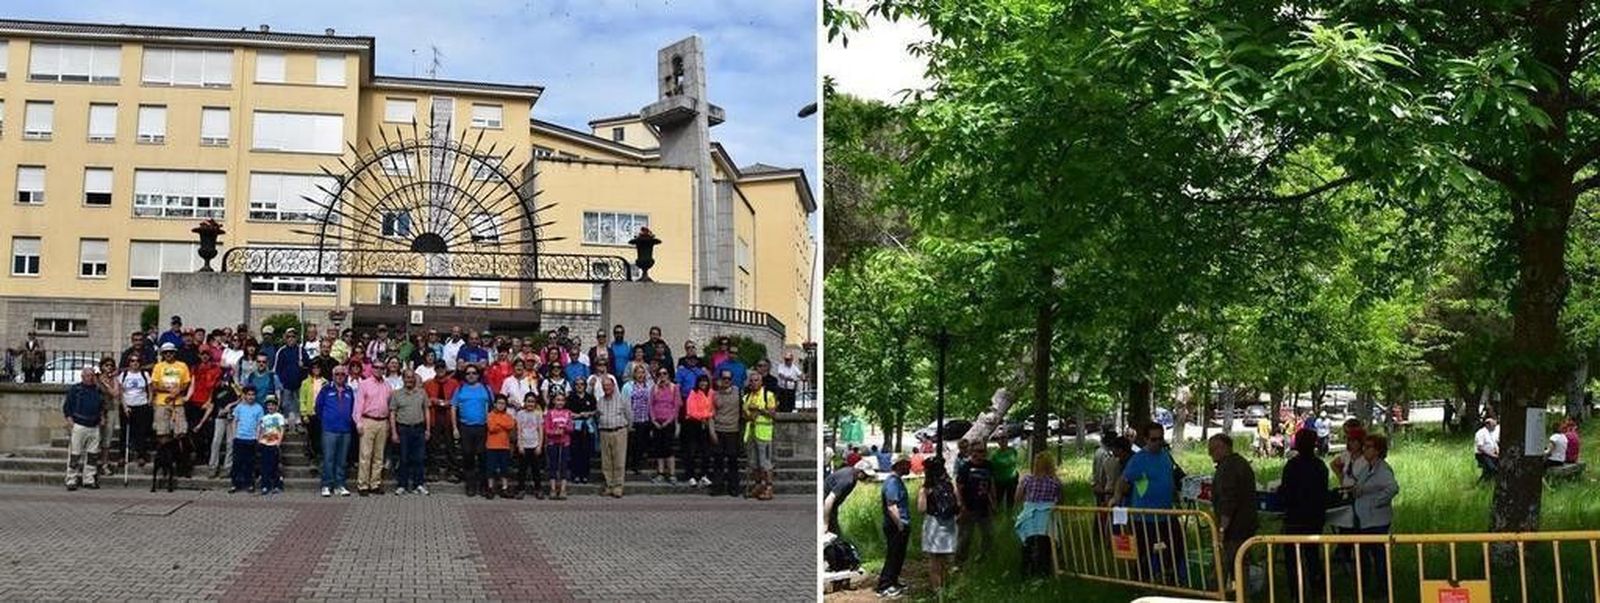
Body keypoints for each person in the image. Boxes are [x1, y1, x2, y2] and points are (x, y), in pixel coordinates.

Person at [1109, 423, 1186, 585]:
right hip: (1144, 516)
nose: (1158, 442)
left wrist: (1177, 501)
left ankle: (1172, 579)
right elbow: (1123, 480)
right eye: (1153, 439)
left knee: (1176, 547)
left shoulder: (1165, 455)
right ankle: (1140, 583)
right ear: (1145, 439)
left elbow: (1169, 480)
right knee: (1143, 552)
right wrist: (1116, 498)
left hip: (1166, 513)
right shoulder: (1139, 459)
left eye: (1160, 438)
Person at [1278, 428, 1329, 601]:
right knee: (1313, 556)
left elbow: (1286, 491)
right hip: (1315, 518)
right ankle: (1319, 590)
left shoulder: (1292, 466)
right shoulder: (1320, 466)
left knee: (1293, 560)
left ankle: (1296, 594)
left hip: (1294, 519)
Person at [1346, 434, 1399, 599]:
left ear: (1377, 451)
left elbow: (1392, 488)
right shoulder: (1367, 468)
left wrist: (1376, 502)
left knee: (1379, 558)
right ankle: (1365, 588)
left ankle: (1384, 591)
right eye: (1365, 446)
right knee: (1364, 555)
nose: (1364, 450)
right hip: (1365, 520)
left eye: (1368, 447)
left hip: (1377, 521)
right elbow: (1361, 486)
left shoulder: (1382, 469)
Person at [1208, 433, 1259, 587]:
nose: (1210, 453)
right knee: (1241, 565)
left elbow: (1228, 501)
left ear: (1224, 448)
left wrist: (1222, 529)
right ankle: (1240, 595)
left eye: (1212, 449)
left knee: (1220, 567)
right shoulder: (1241, 463)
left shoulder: (1228, 468)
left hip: (1233, 529)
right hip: (1245, 525)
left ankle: (1215, 597)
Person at [1015, 452, 1063, 577]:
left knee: (1027, 545)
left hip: (1029, 517)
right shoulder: (1056, 482)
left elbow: (1018, 497)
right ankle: (1044, 573)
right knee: (1046, 546)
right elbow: (1061, 499)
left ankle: (1025, 572)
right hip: (1047, 518)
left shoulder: (1027, 479)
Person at [452, 365, 493, 497]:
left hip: (482, 427)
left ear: (478, 375)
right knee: (468, 455)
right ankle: (470, 485)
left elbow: (492, 408)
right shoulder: (460, 389)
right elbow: (453, 408)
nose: (471, 375)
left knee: (482, 456)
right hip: (465, 427)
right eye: (468, 373)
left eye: (474, 373)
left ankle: (483, 486)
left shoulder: (486, 389)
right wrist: (455, 428)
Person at [919, 460, 959, 593]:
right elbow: (957, 503)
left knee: (934, 560)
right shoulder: (949, 485)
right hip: (949, 524)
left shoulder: (926, 489)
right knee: (945, 559)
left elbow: (921, 508)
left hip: (933, 524)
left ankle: (937, 590)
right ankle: (945, 586)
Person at [316, 366, 356, 497]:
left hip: (345, 430)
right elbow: (318, 407)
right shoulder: (326, 389)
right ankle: (326, 485)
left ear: (346, 376)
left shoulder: (349, 391)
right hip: (329, 430)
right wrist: (327, 420)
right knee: (328, 459)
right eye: (337, 374)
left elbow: (353, 408)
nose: (340, 376)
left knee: (342, 460)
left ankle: (340, 485)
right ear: (333, 376)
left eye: (342, 374)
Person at [353, 363, 392, 496]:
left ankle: (375, 484)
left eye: (381, 368)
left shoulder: (387, 385)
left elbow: (389, 405)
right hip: (368, 420)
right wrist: (358, 422)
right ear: (372, 368)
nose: (378, 370)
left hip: (382, 421)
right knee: (365, 454)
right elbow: (358, 404)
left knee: (379, 455)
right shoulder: (364, 384)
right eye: (376, 367)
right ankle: (362, 485)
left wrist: (388, 423)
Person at [388, 371, 431, 495]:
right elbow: (392, 413)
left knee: (419, 458)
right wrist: (394, 432)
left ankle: (419, 484)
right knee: (403, 458)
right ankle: (402, 485)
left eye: (412, 377)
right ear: (403, 379)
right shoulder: (396, 394)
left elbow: (426, 410)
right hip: (403, 429)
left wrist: (428, 429)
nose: (410, 380)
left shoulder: (422, 393)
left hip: (419, 428)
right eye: (407, 377)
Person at [63, 367, 105, 490]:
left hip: (94, 426)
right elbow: (67, 406)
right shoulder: (76, 389)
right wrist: (70, 420)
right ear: (82, 376)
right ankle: (71, 479)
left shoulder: (98, 390)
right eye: (88, 375)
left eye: (92, 375)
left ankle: (89, 479)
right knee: (75, 454)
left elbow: (102, 406)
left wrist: (102, 417)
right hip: (79, 425)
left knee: (93, 455)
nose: (91, 378)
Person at [876, 454, 912, 598]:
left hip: (901, 524)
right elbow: (892, 506)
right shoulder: (892, 483)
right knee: (893, 555)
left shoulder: (897, 481)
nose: (909, 466)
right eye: (907, 464)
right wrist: (899, 524)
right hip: (895, 526)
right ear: (899, 465)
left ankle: (893, 581)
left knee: (899, 555)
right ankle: (884, 585)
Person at [955, 443, 996, 563]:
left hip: (984, 505)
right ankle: (960, 562)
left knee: (988, 534)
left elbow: (991, 484)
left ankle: (984, 558)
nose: (980, 454)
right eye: (977, 451)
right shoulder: (965, 467)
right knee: (965, 536)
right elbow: (959, 487)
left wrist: (993, 501)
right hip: (969, 505)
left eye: (983, 451)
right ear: (972, 452)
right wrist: (961, 505)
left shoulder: (988, 466)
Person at [595, 375, 632, 498]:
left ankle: (618, 486)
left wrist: (626, 428)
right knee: (606, 461)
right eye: (604, 386)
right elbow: (598, 416)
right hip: (604, 432)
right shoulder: (600, 401)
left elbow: (629, 415)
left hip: (619, 432)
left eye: (609, 385)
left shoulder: (622, 399)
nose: (607, 388)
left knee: (619, 460)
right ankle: (609, 485)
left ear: (613, 386)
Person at [742, 372, 778, 500]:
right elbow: (744, 415)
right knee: (753, 463)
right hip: (751, 433)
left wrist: (759, 410)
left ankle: (768, 487)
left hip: (764, 434)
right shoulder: (746, 397)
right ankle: (758, 485)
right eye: (751, 381)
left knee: (765, 463)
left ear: (761, 382)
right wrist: (749, 415)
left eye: (756, 380)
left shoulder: (768, 395)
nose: (753, 383)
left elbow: (773, 415)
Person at [424, 361, 460, 483]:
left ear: (446, 368)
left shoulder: (454, 383)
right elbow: (426, 400)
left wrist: (440, 402)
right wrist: (434, 401)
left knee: (450, 446)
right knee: (433, 446)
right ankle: (432, 470)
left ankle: (453, 471)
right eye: (438, 367)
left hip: (449, 417)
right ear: (435, 369)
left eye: (442, 367)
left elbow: (456, 400)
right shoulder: (428, 384)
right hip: (434, 417)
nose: (440, 370)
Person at [228, 385, 265, 494]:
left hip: (251, 439)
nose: (251, 397)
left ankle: (250, 484)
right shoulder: (239, 407)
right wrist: (234, 435)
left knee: (250, 463)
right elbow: (235, 421)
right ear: (244, 395)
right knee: (237, 463)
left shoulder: (259, 408)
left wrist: (257, 437)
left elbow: (260, 424)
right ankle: (235, 484)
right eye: (248, 394)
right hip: (239, 438)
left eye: (253, 395)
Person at [118, 354, 153, 467]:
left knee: (141, 432)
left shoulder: (144, 374)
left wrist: (149, 401)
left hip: (141, 405)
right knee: (125, 432)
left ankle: (141, 455)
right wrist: (124, 407)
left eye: (137, 361)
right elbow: (121, 392)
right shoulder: (124, 375)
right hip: (127, 405)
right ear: (129, 363)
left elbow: (150, 390)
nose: (135, 363)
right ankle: (123, 455)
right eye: (132, 361)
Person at [648, 368, 682, 484]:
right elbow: (651, 405)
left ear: (668, 375)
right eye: (660, 374)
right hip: (657, 422)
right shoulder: (654, 388)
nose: (662, 376)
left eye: (664, 373)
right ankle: (660, 473)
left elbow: (676, 406)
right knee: (659, 449)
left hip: (669, 422)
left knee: (669, 448)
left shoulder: (674, 388)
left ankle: (672, 473)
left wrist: (669, 420)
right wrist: (654, 420)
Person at [682, 374, 715, 486]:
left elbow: (713, 409)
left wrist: (707, 416)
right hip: (693, 424)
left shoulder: (711, 393)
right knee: (691, 452)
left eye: (705, 381)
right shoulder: (693, 393)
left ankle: (703, 475)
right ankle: (690, 476)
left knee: (706, 452)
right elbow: (690, 411)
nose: (703, 383)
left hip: (706, 425)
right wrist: (704, 416)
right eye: (701, 381)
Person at [483, 394, 517, 499]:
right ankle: (490, 488)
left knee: (504, 469)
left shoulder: (508, 416)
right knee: (490, 469)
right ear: (495, 404)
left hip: (504, 446)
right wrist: (503, 425)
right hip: (492, 446)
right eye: (499, 403)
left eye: (503, 403)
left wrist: (499, 424)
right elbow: (492, 428)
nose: (501, 405)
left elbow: (511, 425)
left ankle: (504, 488)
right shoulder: (490, 415)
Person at [274, 328, 307, 432]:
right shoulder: (282, 351)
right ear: (285, 338)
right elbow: (277, 369)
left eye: (293, 336)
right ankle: (286, 422)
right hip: (286, 384)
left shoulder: (301, 350)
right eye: (289, 337)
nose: (291, 339)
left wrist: (304, 365)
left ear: (296, 338)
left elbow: (309, 365)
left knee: (298, 403)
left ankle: (298, 422)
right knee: (285, 404)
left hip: (299, 383)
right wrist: (281, 383)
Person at [544, 392, 574, 500]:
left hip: (564, 443)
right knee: (553, 465)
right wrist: (554, 432)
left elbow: (571, 428)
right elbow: (546, 429)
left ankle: (563, 489)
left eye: (562, 400)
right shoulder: (550, 413)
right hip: (553, 443)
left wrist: (565, 428)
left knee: (563, 466)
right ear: (553, 401)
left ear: (565, 402)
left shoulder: (568, 413)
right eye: (558, 400)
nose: (560, 402)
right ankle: (552, 488)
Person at [623, 366, 653, 474]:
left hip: (644, 418)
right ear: (634, 374)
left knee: (640, 444)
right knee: (630, 444)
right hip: (632, 418)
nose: (640, 375)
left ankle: (636, 465)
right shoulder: (628, 386)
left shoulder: (649, 386)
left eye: (642, 373)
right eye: (638, 373)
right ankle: (625, 465)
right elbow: (624, 402)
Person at [515, 392, 545, 499]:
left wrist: (540, 446)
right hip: (524, 445)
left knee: (535, 469)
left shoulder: (538, 414)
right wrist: (520, 444)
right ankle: (520, 489)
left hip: (535, 445)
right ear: (525, 402)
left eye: (532, 402)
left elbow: (540, 430)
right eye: (528, 401)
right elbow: (519, 430)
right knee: (522, 469)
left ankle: (538, 489)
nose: (530, 404)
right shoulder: (520, 414)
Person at [298, 362, 325, 465]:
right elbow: (302, 399)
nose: (316, 369)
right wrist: (304, 413)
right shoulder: (305, 382)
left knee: (320, 436)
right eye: (314, 368)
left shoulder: (325, 383)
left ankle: (319, 456)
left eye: (318, 367)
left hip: (321, 414)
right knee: (311, 435)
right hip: (310, 412)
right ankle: (312, 456)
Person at [258, 397, 285, 495]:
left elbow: (282, 429)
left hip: (274, 443)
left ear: (276, 406)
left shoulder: (279, 416)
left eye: (273, 405)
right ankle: (265, 485)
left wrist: (279, 441)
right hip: (265, 442)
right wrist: (259, 440)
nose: (271, 407)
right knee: (264, 465)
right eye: (269, 405)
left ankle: (277, 485)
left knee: (275, 465)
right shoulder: (264, 418)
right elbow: (262, 430)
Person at [990, 436, 1020, 512]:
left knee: (1011, 499)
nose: (1003, 442)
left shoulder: (1012, 451)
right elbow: (991, 469)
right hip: (1000, 481)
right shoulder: (994, 455)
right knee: (999, 499)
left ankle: (1010, 514)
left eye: (1005, 440)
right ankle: (998, 514)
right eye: (1001, 440)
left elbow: (1015, 463)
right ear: (998, 443)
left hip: (1012, 480)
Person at [1475, 418, 1500, 483]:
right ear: (1487, 425)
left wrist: (1497, 452)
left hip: (1492, 454)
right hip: (1482, 454)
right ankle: (1487, 482)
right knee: (1492, 468)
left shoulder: (1492, 433)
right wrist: (1492, 455)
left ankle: (1486, 481)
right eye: (1493, 425)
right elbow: (1480, 447)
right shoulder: (1481, 433)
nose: (1494, 427)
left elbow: (1495, 444)